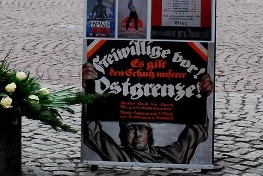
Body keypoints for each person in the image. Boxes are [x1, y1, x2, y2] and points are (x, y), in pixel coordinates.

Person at [82, 66, 213, 164]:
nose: (137, 135)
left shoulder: (172, 155)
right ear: (123, 134)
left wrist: (201, 95)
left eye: (142, 129)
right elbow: (93, 134)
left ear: (149, 133)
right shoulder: (121, 156)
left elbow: (196, 131)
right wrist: (89, 89)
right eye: (131, 129)